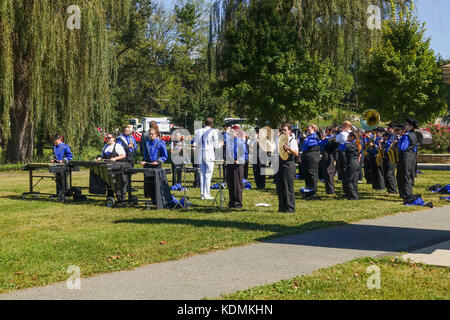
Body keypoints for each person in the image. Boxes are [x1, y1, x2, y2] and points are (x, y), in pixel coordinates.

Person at [193, 118, 222, 200]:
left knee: (202, 174)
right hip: (209, 153)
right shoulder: (214, 132)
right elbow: (216, 145)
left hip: (200, 153)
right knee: (208, 174)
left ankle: (202, 194)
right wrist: (221, 144)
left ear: (204, 123)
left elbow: (195, 143)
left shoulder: (198, 131)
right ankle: (207, 194)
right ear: (212, 124)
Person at [140, 128, 169, 202]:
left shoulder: (161, 143)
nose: (150, 135)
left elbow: (164, 156)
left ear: (156, 134)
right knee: (149, 184)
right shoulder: (147, 143)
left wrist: (158, 161)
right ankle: (152, 199)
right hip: (148, 166)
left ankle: (158, 200)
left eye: (152, 134)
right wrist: (144, 160)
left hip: (156, 166)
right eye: (150, 134)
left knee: (156, 184)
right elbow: (145, 154)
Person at [276, 124, 299, 213]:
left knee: (288, 187)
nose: (284, 132)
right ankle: (281, 207)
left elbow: (296, 153)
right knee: (280, 187)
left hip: (288, 165)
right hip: (280, 164)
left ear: (290, 131)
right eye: (282, 130)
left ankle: (290, 208)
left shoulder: (292, 140)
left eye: (285, 130)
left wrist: (288, 149)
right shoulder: (279, 140)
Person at [397, 118, 418, 200]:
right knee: (402, 175)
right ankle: (403, 194)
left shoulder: (407, 135)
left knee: (404, 175)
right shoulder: (412, 134)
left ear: (411, 126)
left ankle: (407, 194)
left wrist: (399, 140)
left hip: (406, 156)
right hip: (409, 156)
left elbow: (402, 147)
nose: (405, 125)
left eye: (406, 124)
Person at [226, 129, 248, 208]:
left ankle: (238, 203)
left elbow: (245, 155)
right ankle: (231, 201)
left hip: (238, 165)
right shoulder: (229, 142)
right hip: (230, 163)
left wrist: (239, 160)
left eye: (233, 132)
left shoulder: (240, 142)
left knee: (237, 184)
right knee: (230, 183)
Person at [342, 132, 362, 200]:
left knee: (348, 180)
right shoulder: (357, 144)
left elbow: (340, 148)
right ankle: (355, 194)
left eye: (348, 137)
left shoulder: (349, 145)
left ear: (352, 137)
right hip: (357, 163)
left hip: (351, 163)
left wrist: (345, 142)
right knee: (354, 181)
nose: (347, 138)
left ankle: (353, 196)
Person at [301, 124, 320, 192]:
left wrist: (305, 139)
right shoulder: (309, 136)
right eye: (307, 130)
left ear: (314, 129)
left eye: (309, 130)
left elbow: (310, 144)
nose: (308, 131)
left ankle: (313, 190)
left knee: (312, 173)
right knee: (306, 173)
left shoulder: (315, 136)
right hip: (307, 155)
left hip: (313, 156)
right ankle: (308, 188)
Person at [319, 127, 338, 194]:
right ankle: (329, 190)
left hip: (329, 156)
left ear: (330, 131)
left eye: (326, 131)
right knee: (326, 173)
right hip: (327, 155)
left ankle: (331, 190)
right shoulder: (329, 138)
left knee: (328, 173)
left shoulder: (331, 138)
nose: (325, 132)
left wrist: (323, 139)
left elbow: (321, 143)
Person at [382, 124, 398, 194]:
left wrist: (384, 141)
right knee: (386, 173)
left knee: (390, 173)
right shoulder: (389, 136)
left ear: (392, 129)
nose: (388, 129)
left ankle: (393, 190)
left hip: (391, 156)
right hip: (386, 155)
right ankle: (389, 189)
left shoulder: (393, 136)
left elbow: (389, 144)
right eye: (388, 128)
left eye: (389, 128)